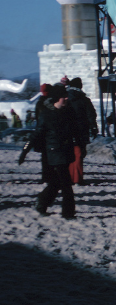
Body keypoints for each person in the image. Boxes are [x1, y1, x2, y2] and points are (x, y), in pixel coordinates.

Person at [31, 84, 76, 219]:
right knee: (66, 184)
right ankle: (68, 213)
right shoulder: (46, 114)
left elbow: (75, 130)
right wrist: (26, 148)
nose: (66, 98)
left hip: (66, 151)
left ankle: (42, 202)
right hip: (54, 152)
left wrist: (81, 143)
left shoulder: (68, 112)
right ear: (57, 98)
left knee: (56, 182)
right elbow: (38, 133)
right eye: (64, 96)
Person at [66, 77, 98, 186]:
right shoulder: (84, 100)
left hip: (67, 131)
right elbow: (91, 115)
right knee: (80, 154)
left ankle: (70, 177)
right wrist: (93, 127)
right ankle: (78, 178)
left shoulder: (65, 98)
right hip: (81, 130)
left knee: (70, 154)